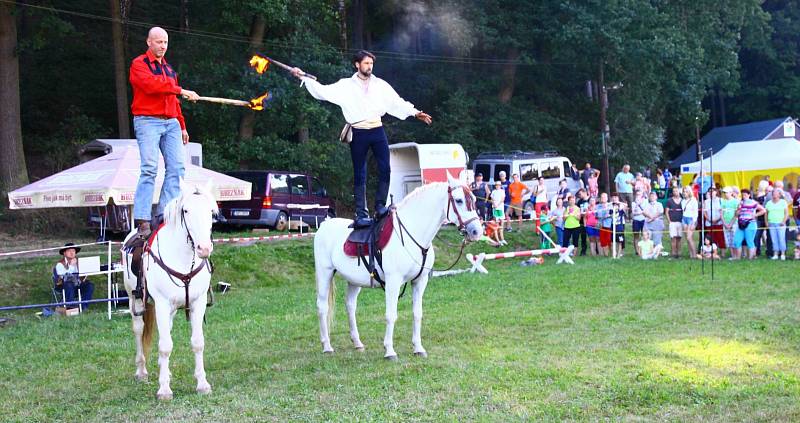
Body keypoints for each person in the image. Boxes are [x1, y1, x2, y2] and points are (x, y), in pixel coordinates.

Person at [291, 50, 432, 227]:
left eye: (371, 64)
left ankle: (380, 207)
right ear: (357, 65)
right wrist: (303, 77)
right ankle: (361, 214)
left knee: (385, 169)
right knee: (360, 174)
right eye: (366, 63)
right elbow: (323, 91)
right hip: (358, 132)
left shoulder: (380, 85)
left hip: (377, 130)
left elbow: (396, 102)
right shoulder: (345, 85)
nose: (369, 67)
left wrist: (415, 112)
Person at [127, 27, 200, 243]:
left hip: (171, 123)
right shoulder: (139, 64)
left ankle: (164, 215)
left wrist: (183, 125)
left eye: (165, 42)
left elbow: (173, 101)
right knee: (149, 168)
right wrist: (180, 90)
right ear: (148, 42)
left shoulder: (169, 70)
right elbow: (150, 86)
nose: (162, 46)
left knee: (177, 169)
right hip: (147, 120)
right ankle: (142, 219)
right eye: (158, 42)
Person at [54, 243, 95, 310]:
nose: (72, 253)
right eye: (69, 251)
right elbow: (64, 278)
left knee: (90, 285)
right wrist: (72, 266)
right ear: (64, 253)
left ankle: (83, 307)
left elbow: (82, 275)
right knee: (69, 284)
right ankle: (70, 308)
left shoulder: (79, 262)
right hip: (64, 287)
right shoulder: (60, 264)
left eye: (73, 251)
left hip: (77, 285)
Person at [732, 189, 765, 260]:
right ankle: (738, 258)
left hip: (750, 223)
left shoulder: (753, 202)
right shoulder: (740, 203)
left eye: (745, 195)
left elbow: (763, 210)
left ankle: (750, 258)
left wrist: (755, 215)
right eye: (743, 195)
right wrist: (738, 209)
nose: (744, 196)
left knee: (749, 241)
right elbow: (736, 214)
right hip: (741, 224)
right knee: (737, 241)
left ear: (749, 195)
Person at [765, 188, 789, 260]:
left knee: (781, 239)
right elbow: (766, 213)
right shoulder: (768, 203)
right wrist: (766, 222)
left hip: (780, 224)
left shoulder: (783, 202)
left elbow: (786, 213)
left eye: (776, 194)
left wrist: (783, 221)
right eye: (773, 194)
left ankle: (782, 254)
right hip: (771, 223)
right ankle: (775, 254)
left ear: (779, 195)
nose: (774, 195)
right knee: (774, 239)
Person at [702, 187, 725, 251]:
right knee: (711, 238)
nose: (711, 193)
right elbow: (705, 212)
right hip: (709, 223)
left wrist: (718, 219)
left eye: (713, 191)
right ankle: (713, 252)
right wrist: (709, 220)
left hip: (719, 222)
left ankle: (723, 253)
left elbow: (723, 211)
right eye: (709, 191)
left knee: (720, 238)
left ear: (716, 192)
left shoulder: (721, 200)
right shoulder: (706, 202)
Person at [720, 187, 740, 259]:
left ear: (731, 193)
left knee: (734, 239)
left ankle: (736, 255)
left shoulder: (736, 201)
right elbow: (721, 213)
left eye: (727, 192)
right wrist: (725, 223)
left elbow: (736, 214)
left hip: (734, 223)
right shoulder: (723, 202)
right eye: (725, 193)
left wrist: (731, 224)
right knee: (728, 240)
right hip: (725, 223)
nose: (726, 194)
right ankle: (732, 255)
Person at [681, 186, 699, 259]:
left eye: (686, 191)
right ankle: (691, 254)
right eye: (684, 191)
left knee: (689, 237)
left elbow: (696, 212)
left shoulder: (693, 200)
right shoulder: (683, 201)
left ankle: (694, 254)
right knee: (687, 238)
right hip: (684, 218)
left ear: (689, 192)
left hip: (691, 219)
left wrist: (694, 222)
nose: (685, 193)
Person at [665, 187, 683, 258]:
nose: (675, 192)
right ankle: (673, 253)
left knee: (679, 238)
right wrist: (669, 221)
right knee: (673, 238)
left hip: (680, 222)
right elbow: (666, 211)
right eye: (674, 191)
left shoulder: (683, 200)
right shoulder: (669, 201)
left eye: (676, 191)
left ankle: (679, 253)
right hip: (672, 222)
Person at [630, 189, 647, 256]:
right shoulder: (633, 203)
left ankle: (644, 250)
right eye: (637, 195)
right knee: (636, 236)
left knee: (644, 235)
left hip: (643, 220)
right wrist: (637, 205)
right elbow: (633, 213)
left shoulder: (645, 201)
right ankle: (637, 251)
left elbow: (645, 211)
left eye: (639, 194)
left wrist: (640, 211)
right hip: (636, 220)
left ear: (642, 195)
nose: (638, 196)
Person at [575, 189, 590, 255]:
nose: (579, 196)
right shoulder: (580, 201)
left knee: (593, 237)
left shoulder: (590, 199)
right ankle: (583, 251)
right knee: (583, 237)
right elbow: (577, 210)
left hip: (590, 221)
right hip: (581, 222)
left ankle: (596, 251)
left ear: (585, 193)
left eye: (580, 194)